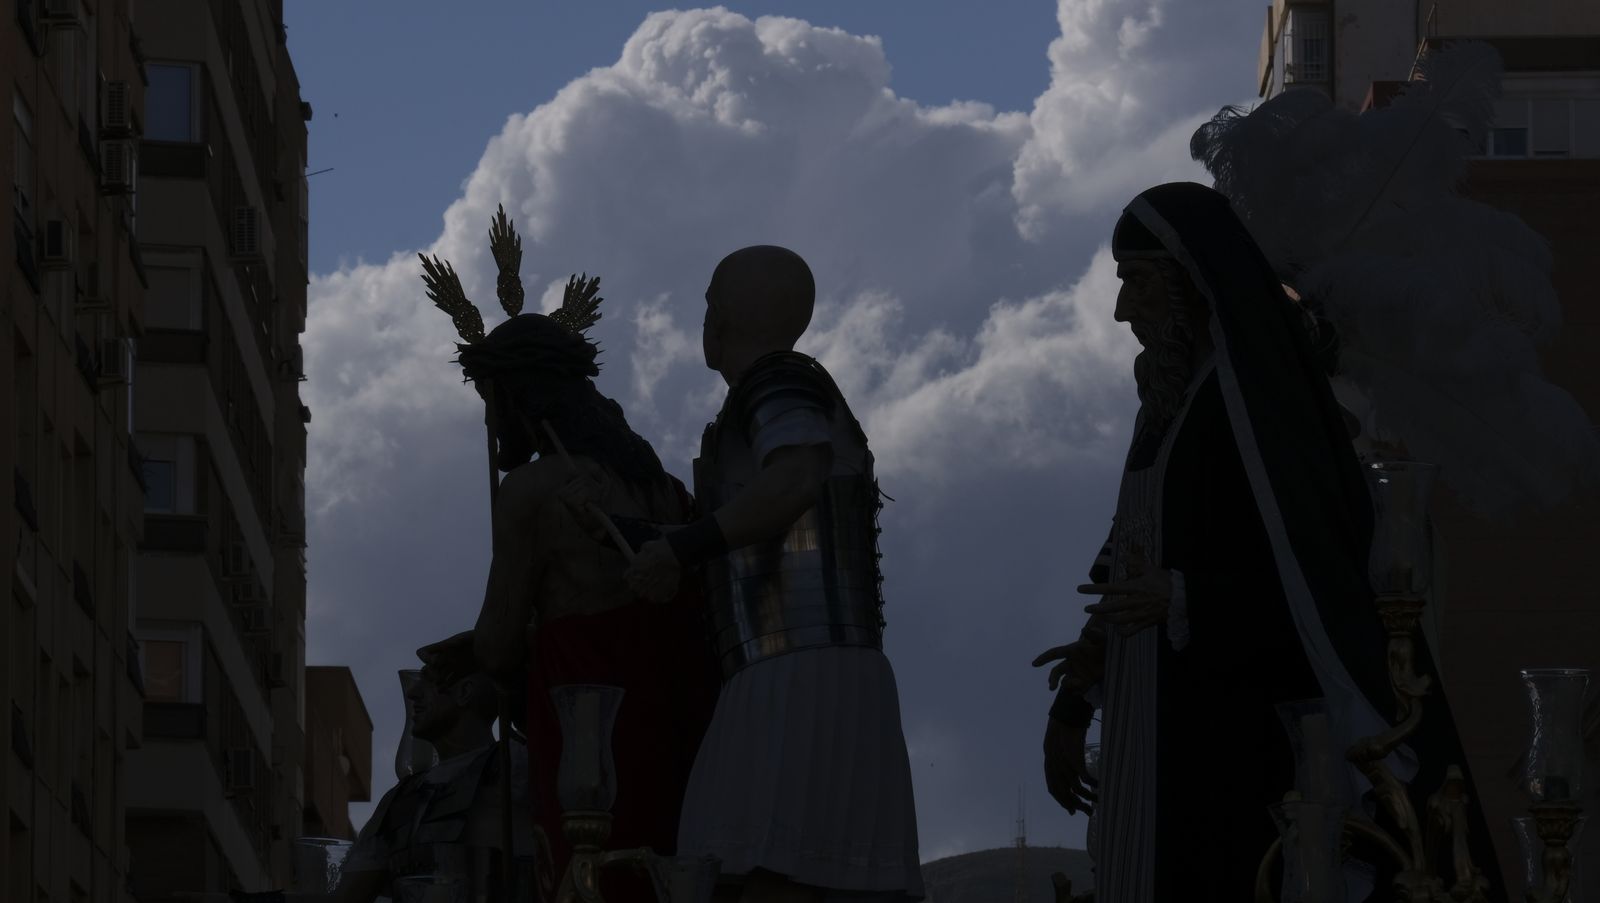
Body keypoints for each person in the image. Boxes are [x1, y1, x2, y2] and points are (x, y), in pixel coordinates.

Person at [1034, 183, 1505, 902]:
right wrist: (1080, 687)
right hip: (1150, 715)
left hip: (1231, 735)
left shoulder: (1250, 406)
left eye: (1137, 283)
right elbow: (1129, 553)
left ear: (1189, 284)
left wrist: (1188, 596)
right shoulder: (1165, 408)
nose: (1125, 310)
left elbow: (1311, 577)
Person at [423, 208, 720, 903]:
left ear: (516, 397)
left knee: (588, 874)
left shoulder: (529, 490)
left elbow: (498, 644)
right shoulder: (656, 482)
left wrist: (485, 647)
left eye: (490, 398)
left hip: (584, 710)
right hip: (673, 708)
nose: (490, 418)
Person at [617, 246, 924, 903]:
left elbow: (793, 480)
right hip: (804, 666)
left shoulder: (777, 380)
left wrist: (684, 546)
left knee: (747, 871)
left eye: (708, 303)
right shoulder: (765, 398)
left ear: (723, 317)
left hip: (796, 670)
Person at [335, 632, 535, 902]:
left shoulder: (517, 767)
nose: (413, 693)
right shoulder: (399, 800)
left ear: (464, 692)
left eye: (430, 681)